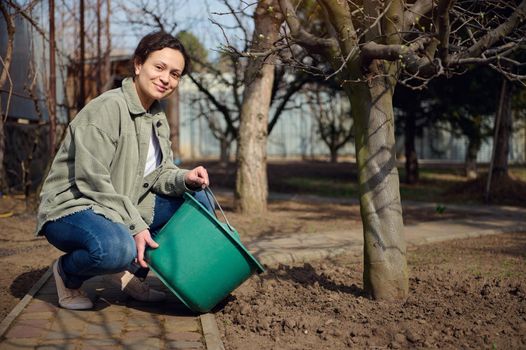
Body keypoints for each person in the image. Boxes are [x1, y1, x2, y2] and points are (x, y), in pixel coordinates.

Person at [36, 31, 213, 310]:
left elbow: (158, 172)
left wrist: (185, 178)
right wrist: (136, 225)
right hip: (75, 206)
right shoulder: (107, 109)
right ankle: (67, 274)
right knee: (116, 249)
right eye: (159, 67)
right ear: (138, 64)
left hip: (118, 204)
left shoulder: (156, 115)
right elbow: (92, 182)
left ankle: (133, 275)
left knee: (197, 199)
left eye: (175, 74)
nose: (166, 78)